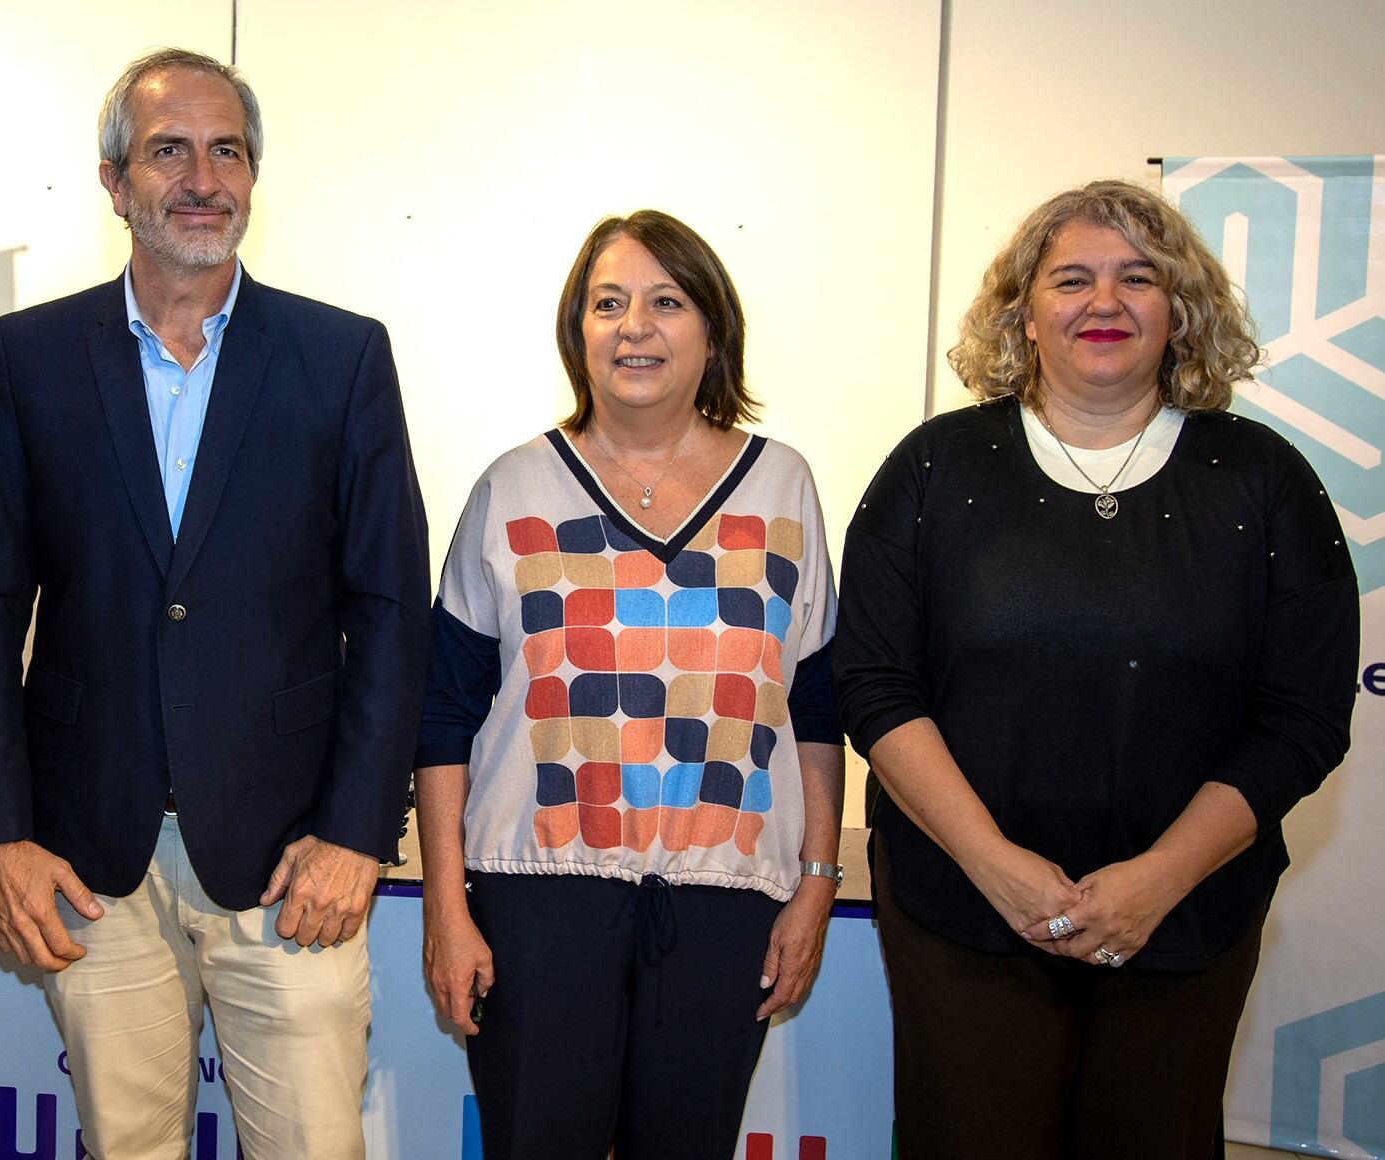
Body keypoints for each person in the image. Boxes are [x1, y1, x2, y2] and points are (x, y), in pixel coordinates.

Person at [0, 48, 429, 1160]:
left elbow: (391, 607)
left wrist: (357, 831)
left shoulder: (339, 356)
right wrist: (0, 829)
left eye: (227, 151)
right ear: (115, 181)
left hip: (290, 861)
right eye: (169, 150)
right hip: (84, 852)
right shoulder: (28, 358)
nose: (201, 176)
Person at [833, 179, 1358, 1159]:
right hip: (962, 914)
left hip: (1184, 917)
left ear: (1179, 308)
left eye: (1136, 278)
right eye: (1070, 278)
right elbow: (871, 680)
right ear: (1023, 315)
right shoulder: (934, 469)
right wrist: (996, 866)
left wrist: (1153, 880)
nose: (1101, 303)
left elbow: (1300, 715)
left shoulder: (1263, 482)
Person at [414, 209, 846, 1159]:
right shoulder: (512, 488)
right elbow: (443, 715)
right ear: (578, 331)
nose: (635, 327)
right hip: (537, 901)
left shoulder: (783, 488)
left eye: (666, 302)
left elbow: (812, 703)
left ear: (713, 330)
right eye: (608, 303)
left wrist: (816, 884)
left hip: (727, 902)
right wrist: (448, 909)